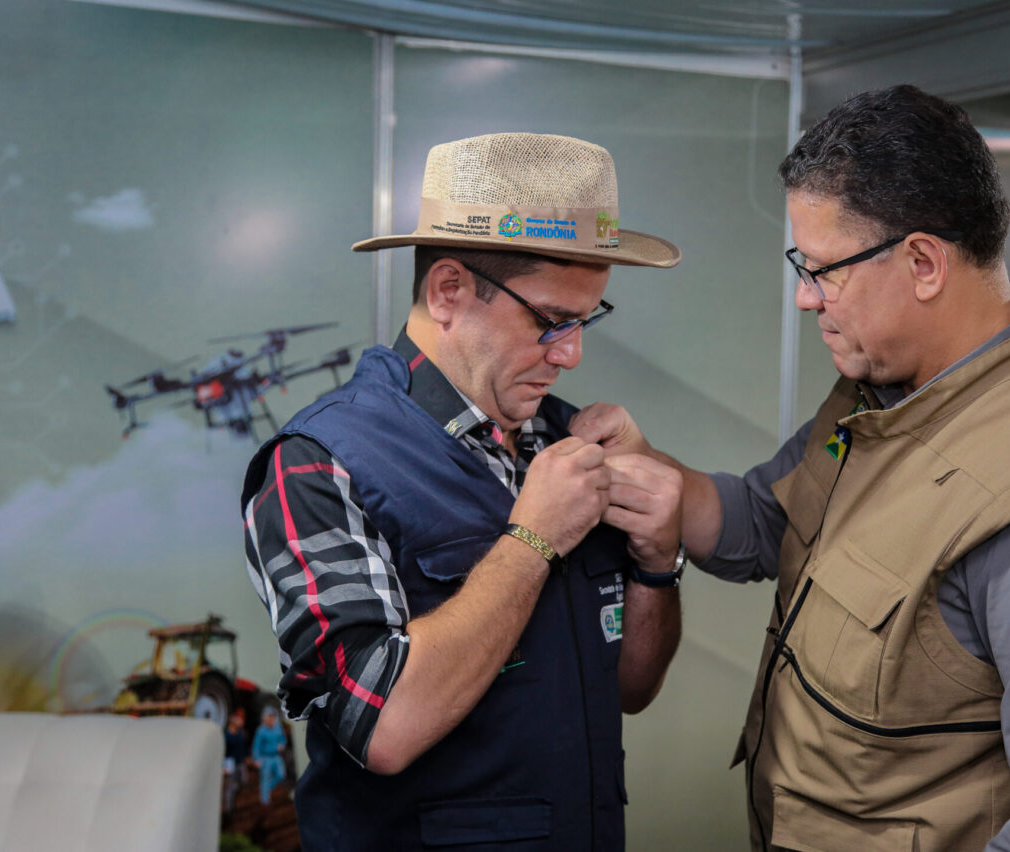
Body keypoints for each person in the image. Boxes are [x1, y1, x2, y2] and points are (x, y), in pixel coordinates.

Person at [572, 85, 1010, 851]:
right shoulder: (887, 390)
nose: (804, 298)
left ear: (922, 262)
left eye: (821, 270)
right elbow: (770, 518)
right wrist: (653, 478)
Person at [241, 132, 685, 851]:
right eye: (550, 321)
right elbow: (382, 729)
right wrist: (532, 541)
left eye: (586, 320)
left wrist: (660, 561)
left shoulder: (566, 440)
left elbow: (631, 688)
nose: (572, 354)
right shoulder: (318, 463)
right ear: (449, 291)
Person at [251, 705, 288, 805]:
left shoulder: (278, 727)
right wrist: (257, 759)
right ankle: (265, 801)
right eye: (268, 716)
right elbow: (256, 747)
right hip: (265, 757)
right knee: (265, 778)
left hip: (276, 756)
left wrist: (282, 745)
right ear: (265, 718)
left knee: (281, 775)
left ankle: (266, 788)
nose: (270, 719)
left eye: (272, 716)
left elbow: (283, 739)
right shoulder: (261, 730)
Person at [222, 708, 250, 814]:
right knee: (230, 786)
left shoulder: (241, 734)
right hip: (231, 763)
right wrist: (223, 766)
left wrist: (247, 757)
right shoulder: (226, 736)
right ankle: (229, 809)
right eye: (238, 719)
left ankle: (234, 792)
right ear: (232, 719)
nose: (241, 721)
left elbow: (244, 748)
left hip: (241, 762)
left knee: (243, 781)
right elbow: (223, 752)